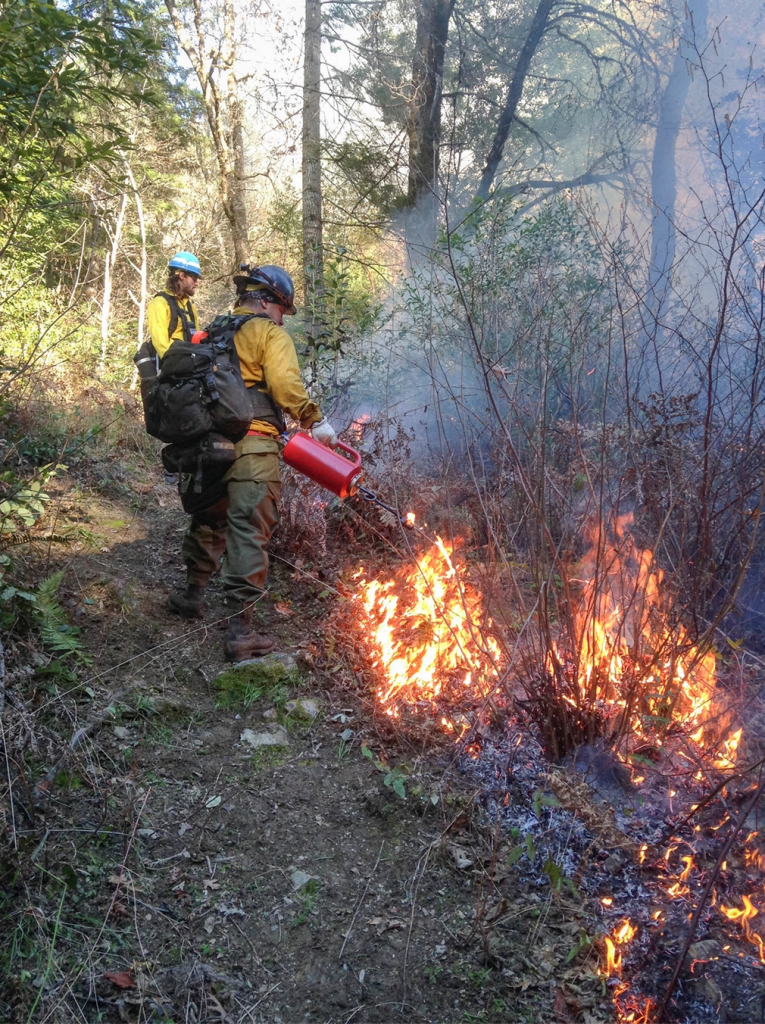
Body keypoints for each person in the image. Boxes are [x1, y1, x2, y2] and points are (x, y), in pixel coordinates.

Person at [166, 264, 338, 662]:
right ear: (266, 301)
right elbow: (284, 386)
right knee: (248, 529)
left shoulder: (213, 330)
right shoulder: (267, 332)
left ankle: (191, 596)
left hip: (209, 446)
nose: (283, 319)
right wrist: (315, 419)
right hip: (255, 444)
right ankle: (240, 632)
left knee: (210, 519)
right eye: (282, 310)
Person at [147, 251, 201, 356]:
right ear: (182, 275)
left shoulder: (190, 307)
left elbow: (196, 340)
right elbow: (161, 344)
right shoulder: (160, 303)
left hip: (191, 363)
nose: (196, 283)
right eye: (194, 278)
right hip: (171, 366)